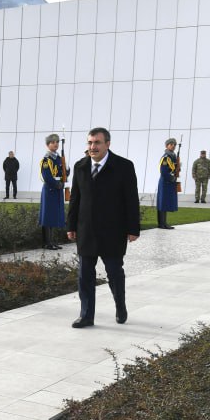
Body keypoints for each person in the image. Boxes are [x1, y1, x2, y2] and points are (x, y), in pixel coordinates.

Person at [66, 127, 140, 328]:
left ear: (107, 144)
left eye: (97, 142)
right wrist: (71, 225)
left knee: (115, 273)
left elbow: (131, 199)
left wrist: (133, 228)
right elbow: (75, 199)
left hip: (113, 231)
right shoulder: (80, 166)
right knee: (84, 276)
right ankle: (86, 315)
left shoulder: (124, 166)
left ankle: (120, 307)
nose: (93, 147)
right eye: (90, 143)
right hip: (86, 231)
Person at [38, 134, 65, 250]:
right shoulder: (46, 159)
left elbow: (61, 172)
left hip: (58, 188)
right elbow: (47, 176)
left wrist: (65, 172)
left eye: (57, 142)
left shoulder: (58, 158)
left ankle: (52, 241)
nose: (56, 144)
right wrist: (56, 184)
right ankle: (47, 242)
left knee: (54, 215)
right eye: (53, 142)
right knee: (47, 215)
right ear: (48, 144)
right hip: (50, 189)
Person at [156, 137, 179, 229]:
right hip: (166, 181)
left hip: (169, 181)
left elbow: (172, 168)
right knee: (163, 202)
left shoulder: (172, 156)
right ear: (167, 146)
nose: (173, 146)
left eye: (174, 145)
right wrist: (172, 178)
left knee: (165, 202)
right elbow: (164, 171)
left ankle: (164, 223)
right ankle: (162, 224)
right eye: (171, 144)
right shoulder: (166, 157)